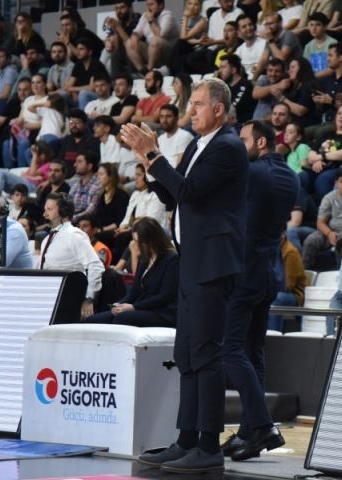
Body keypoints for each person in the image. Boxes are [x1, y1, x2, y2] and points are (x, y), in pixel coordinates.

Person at [121, 77, 249, 474]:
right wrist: (149, 162)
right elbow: (172, 193)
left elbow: (190, 192)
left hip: (213, 263)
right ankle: (186, 440)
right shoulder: (197, 145)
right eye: (190, 103)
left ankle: (209, 446)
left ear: (219, 109)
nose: (189, 110)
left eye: (197, 104)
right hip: (193, 262)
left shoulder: (227, 146)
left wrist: (154, 153)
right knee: (187, 355)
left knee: (206, 354)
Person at [219, 119, 297, 461]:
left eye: (243, 140)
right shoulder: (290, 175)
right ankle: (249, 431)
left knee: (230, 349)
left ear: (261, 142)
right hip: (269, 272)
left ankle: (264, 425)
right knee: (253, 352)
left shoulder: (254, 173)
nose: (239, 146)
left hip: (245, 272)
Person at [85, 217, 179, 326]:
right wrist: (118, 304)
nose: (134, 245)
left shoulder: (171, 259)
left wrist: (134, 307)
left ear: (152, 239)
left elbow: (165, 296)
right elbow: (134, 292)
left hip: (162, 312)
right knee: (93, 320)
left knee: (121, 318)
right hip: (142, 307)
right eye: (134, 240)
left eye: (139, 242)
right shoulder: (145, 258)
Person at [39, 192, 105, 320]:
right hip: (47, 298)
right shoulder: (47, 239)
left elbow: (96, 265)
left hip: (67, 298)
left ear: (63, 211)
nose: (44, 214)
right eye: (45, 209)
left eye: (49, 209)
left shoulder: (74, 235)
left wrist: (89, 298)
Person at [302, 166, 342, 268]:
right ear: (336, 183)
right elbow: (320, 222)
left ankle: (341, 274)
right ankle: (305, 271)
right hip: (330, 231)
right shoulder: (329, 198)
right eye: (341, 181)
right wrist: (329, 233)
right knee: (311, 240)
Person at [127, 0, 179, 75]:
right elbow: (137, 31)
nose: (148, 8)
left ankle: (149, 70)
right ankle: (142, 71)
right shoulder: (145, 16)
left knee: (155, 40)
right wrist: (135, 37)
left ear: (161, 5)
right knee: (129, 42)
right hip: (151, 50)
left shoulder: (167, 15)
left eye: (151, 4)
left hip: (168, 53)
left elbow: (160, 35)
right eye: (147, 5)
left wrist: (151, 21)